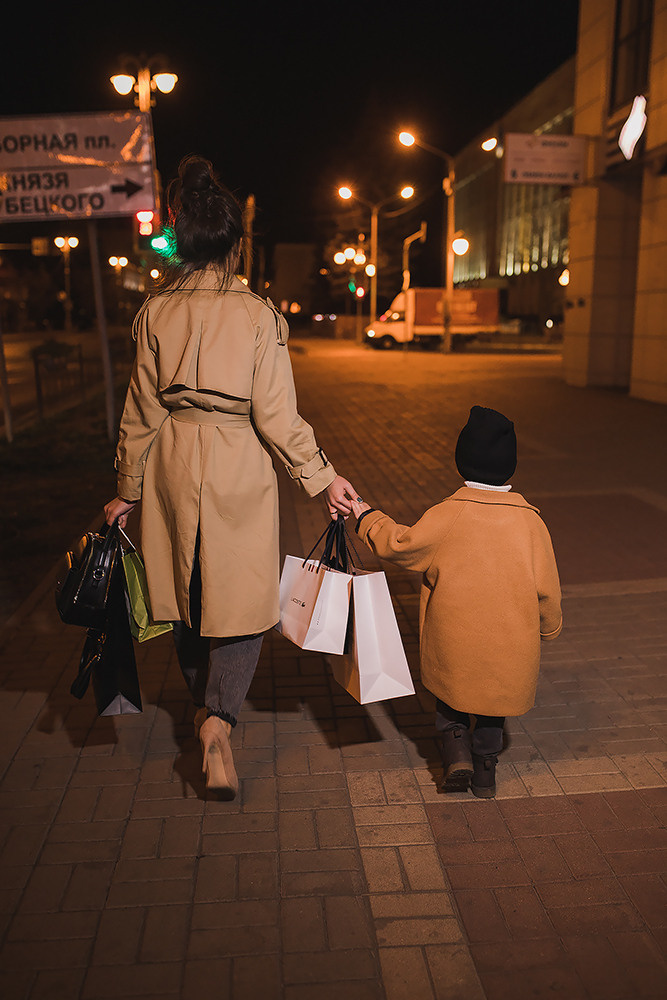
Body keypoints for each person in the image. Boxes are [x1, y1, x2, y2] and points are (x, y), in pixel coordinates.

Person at [105, 154, 358, 799]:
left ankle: (202, 708)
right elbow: (278, 416)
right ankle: (219, 718)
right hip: (239, 460)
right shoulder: (259, 317)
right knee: (242, 603)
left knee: (188, 595)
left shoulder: (155, 314)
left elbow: (139, 410)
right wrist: (323, 477)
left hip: (171, 457)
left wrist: (127, 490)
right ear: (235, 244)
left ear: (179, 237)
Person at [350, 405, 562, 798]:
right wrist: (548, 627)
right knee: (492, 706)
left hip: (454, 638)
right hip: (508, 645)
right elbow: (547, 587)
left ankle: (455, 748)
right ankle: (485, 770)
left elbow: (401, 545)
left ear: (462, 462)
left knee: (450, 695)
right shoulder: (531, 522)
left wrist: (367, 517)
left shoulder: (448, 515)